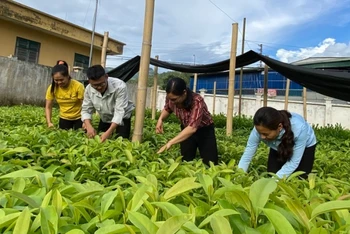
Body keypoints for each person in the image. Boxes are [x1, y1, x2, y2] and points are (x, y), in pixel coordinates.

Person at [238, 106, 317, 179]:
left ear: (279, 127)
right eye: (260, 133)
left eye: (266, 134)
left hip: (306, 145)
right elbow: (247, 154)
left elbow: (293, 162)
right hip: (277, 144)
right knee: (272, 172)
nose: (262, 137)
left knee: (301, 176)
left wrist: (272, 182)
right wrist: (239, 176)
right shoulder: (260, 129)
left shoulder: (299, 129)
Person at [156, 77, 218, 165]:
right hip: (186, 130)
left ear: (184, 93)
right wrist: (160, 119)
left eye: (174, 99)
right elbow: (168, 108)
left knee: (210, 162)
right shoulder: (171, 98)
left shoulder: (197, 100)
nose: (172, 101)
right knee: (186, 160)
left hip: (204, 131)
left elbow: (192, 128)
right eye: (170, 99)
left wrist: (170, 143)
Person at [81, 65, 135, 142]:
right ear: (89, 82)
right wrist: (88, 126)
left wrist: (109, 132)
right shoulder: (88, 89)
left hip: (122, 117)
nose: (99, 87)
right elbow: (86, 109)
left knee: (121, 141)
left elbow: (119, 112)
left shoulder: (120, 86)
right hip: (105, 116)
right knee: (100, 139)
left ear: (106, 77)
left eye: (101, 84)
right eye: (95, 85)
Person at [45, 63, 85, 129]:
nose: (59, 82)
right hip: (64, 118)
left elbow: (85, 105)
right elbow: (48, 107)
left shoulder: (78, 86)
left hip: (79, 118)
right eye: (56, 80)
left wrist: (85, 122)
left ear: (67, 76)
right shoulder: (52, 88)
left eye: (61, 80)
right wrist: (49, 122)